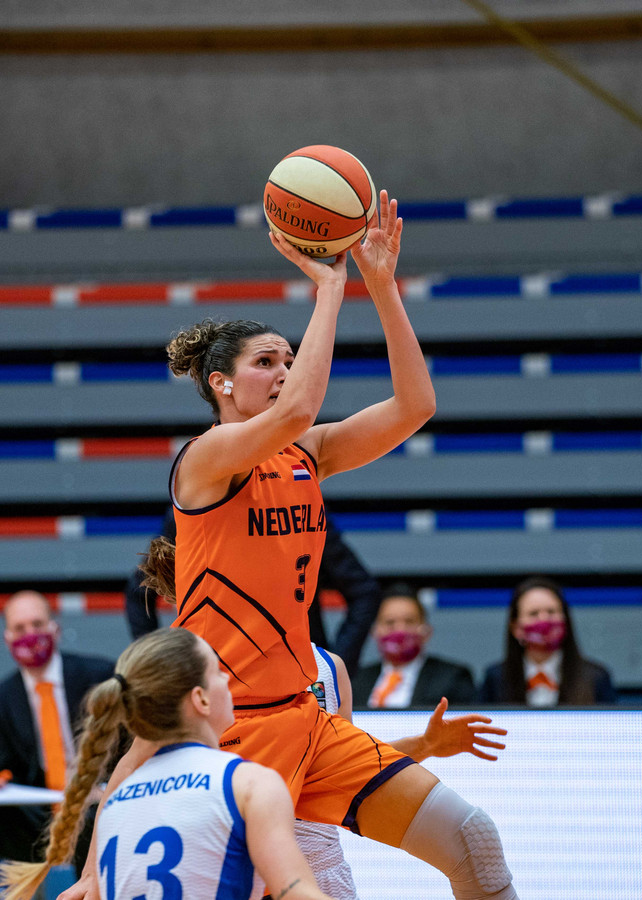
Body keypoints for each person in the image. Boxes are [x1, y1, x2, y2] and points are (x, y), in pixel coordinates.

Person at [61, 192, 519, 900]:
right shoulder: (205, 461)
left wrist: (380, 285)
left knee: (473, 840)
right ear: (221, 383)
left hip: (308, 719)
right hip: (229, 732)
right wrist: (330, 287)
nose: (283, 373)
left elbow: (415, 406)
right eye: (267, 362)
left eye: (289, 361)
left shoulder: (307, 453)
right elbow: (302, 405)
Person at [0, 627, 336, 900]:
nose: (227, 682)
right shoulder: (247, 784)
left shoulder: (116, 805)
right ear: (200, 699)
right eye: (218, 673)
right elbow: (297, 892)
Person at [304, 643, 503, 899]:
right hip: (251, 857)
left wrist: (425, 745)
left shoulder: (328, 667)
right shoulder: (237, 663)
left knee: (476, 838)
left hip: (324, 866)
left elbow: (348, 771)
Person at [124, 507, 382, 677]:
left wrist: (335, 663)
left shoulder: (300, 505)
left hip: (296, 671)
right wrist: (158, 661)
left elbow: (364, 591)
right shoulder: (196, 509)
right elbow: (141, 587)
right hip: (216, 670)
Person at [0, 591, 114, 870]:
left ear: (55, 629)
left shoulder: (100, 677)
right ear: (8, 638)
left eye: (37, 625)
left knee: (90, 822)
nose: (30, 634)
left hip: (99, 797)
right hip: (41, 807)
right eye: (19, 628)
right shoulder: (4, 697)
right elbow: (6, 762)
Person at [479, 576, 617, 706]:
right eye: (534, 613)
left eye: (551, 612)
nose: (544, 619)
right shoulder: (495, 678)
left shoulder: (596, 678)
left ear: (565, 620)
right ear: (516, 628)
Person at [351, 583, 476, 709]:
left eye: (409, 621)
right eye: (390, 623)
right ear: (375, 631)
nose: (400, 630)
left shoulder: (452, 678)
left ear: (427, 631)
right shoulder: (355, 681)